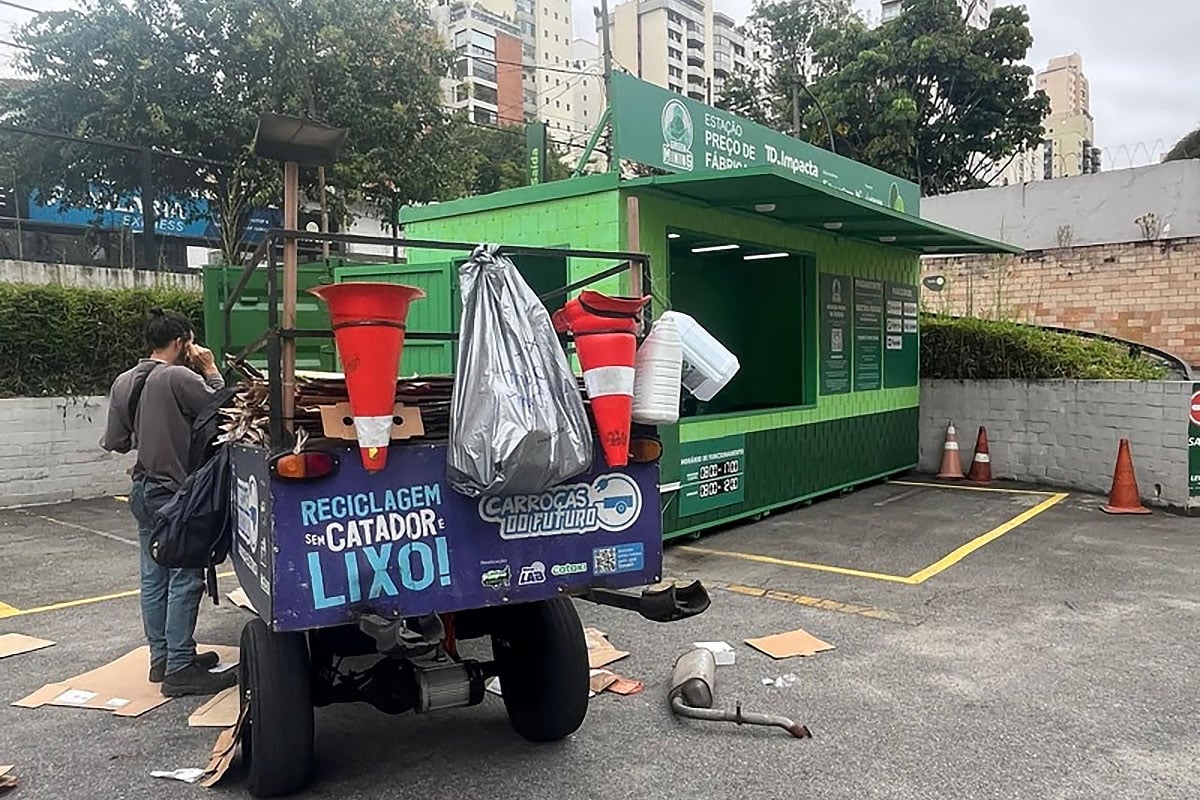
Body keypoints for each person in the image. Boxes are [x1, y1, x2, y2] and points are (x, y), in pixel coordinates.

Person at [101, 308, 237, 697]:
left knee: (153, 575)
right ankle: (180, 668)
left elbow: (117, 441)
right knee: (185, 576)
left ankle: (162, 659)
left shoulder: (126, 380)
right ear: (182, 342)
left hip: (142, 490)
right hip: (174, 495)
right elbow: (222, 410)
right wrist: (210, 368)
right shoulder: (179, 376)